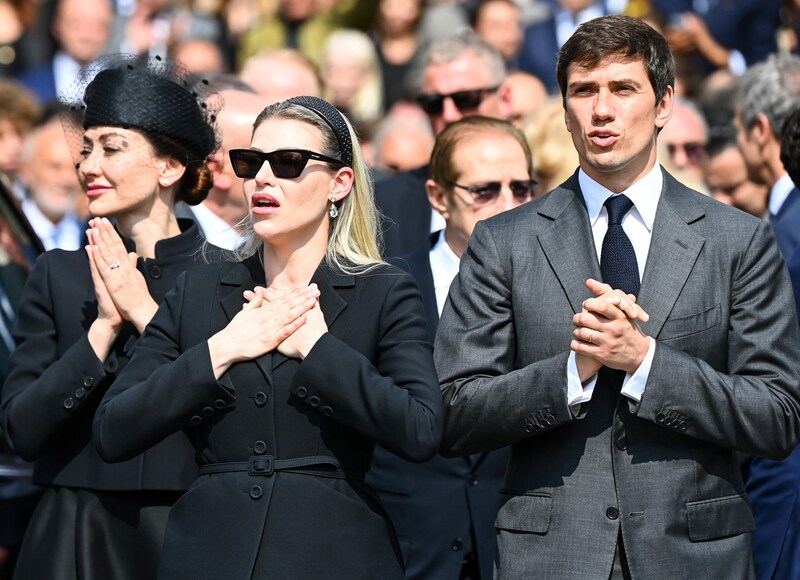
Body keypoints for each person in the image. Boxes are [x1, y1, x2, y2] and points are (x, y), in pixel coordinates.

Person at [434, 15, 800, 579]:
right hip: (552, 558)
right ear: (564, 110)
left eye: (623, 89)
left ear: (664, 105)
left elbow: (775, 417)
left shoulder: (739, 240)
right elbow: (455, 413)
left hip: (695, 555)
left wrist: (647, 363)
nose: (601, 110)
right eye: (583, 91)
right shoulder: (503, 241)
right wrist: (572, 370)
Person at [93, 96, 443, 579]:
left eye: (289, 163)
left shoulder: (383, 292)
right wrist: (222, 350)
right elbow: (113, 429)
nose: (262, 177)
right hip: (210, 554)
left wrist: (320, 352)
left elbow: (421, 429)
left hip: (335, 554)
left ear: (340, 183)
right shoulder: (198, 289)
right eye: (251, 162)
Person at [0, 54, 220, 580]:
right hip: (72, 535)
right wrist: (101, 330)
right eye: (86, 149)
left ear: (170, 167)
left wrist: (146, 314)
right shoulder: (59, 274)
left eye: (112, 148)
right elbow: (22, 430)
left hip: (189, 530)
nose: (88, 166)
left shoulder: (226, 277)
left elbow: (235, 418)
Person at [367, 115, 534, 580]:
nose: (507, 205)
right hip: (408, 544)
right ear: (439, 197)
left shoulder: (559, 289)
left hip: (516, 545)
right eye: (484, 190)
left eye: (520, 189)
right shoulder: (382, 287)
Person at [376, 31, 511, 258]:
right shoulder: (382, 206)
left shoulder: (548, 192)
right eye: (434, 103)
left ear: (505, 99)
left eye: (466, 99)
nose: (449, 114)